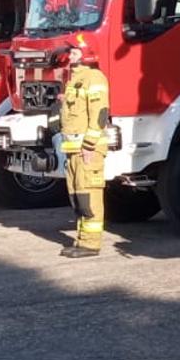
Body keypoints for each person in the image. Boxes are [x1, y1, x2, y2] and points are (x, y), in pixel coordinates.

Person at [58, 33, 110, 258]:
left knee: (89, 198)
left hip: (87, 150)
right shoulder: (75, 78)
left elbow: (100, 114)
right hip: (73, 150)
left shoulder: (94, 78)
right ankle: (81, 240)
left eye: (75, 51)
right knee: (78, 197)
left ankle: (90, 243)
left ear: (87, 53)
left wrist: (89, 145)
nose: (70, 55)